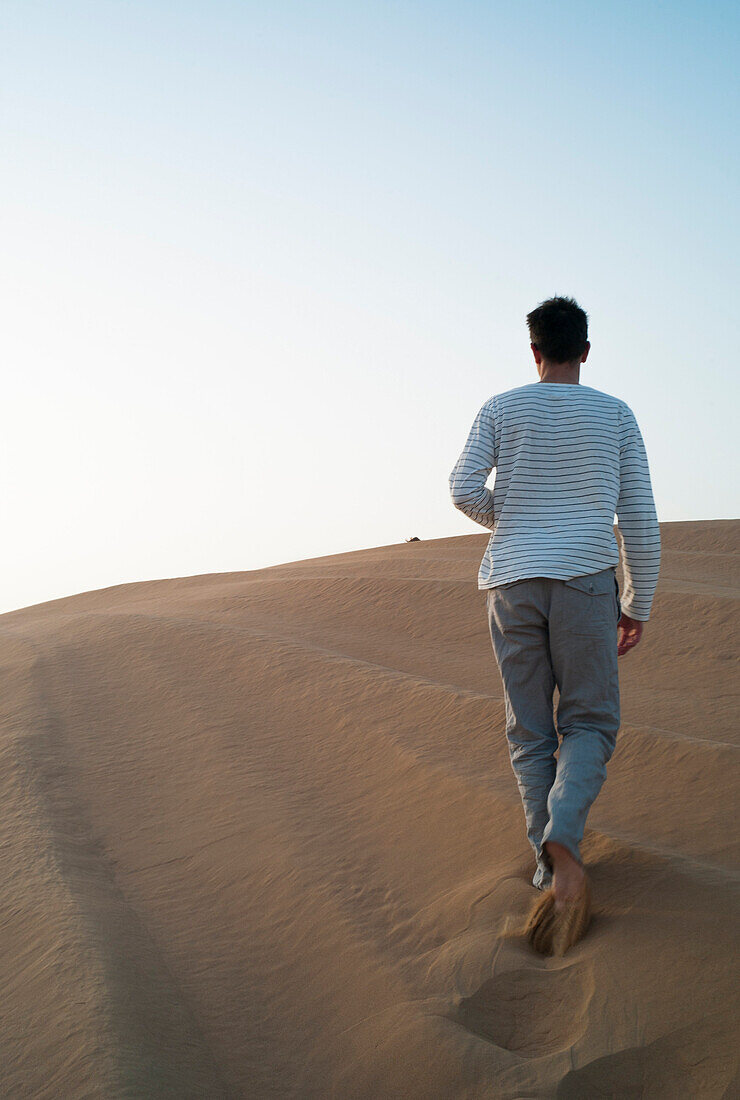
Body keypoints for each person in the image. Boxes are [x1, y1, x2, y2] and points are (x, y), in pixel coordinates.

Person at [448, 296, 660, 956]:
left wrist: (510, 526)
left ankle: (547, 862)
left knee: (530, 726)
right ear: (586, 351)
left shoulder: (501, 407)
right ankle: (564, 833)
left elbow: (461, 486)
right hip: (585, 580)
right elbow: (641, 524)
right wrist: (637, 603)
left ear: (534, 350)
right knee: (590, 721)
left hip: (511, 585)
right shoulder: (616, 415)